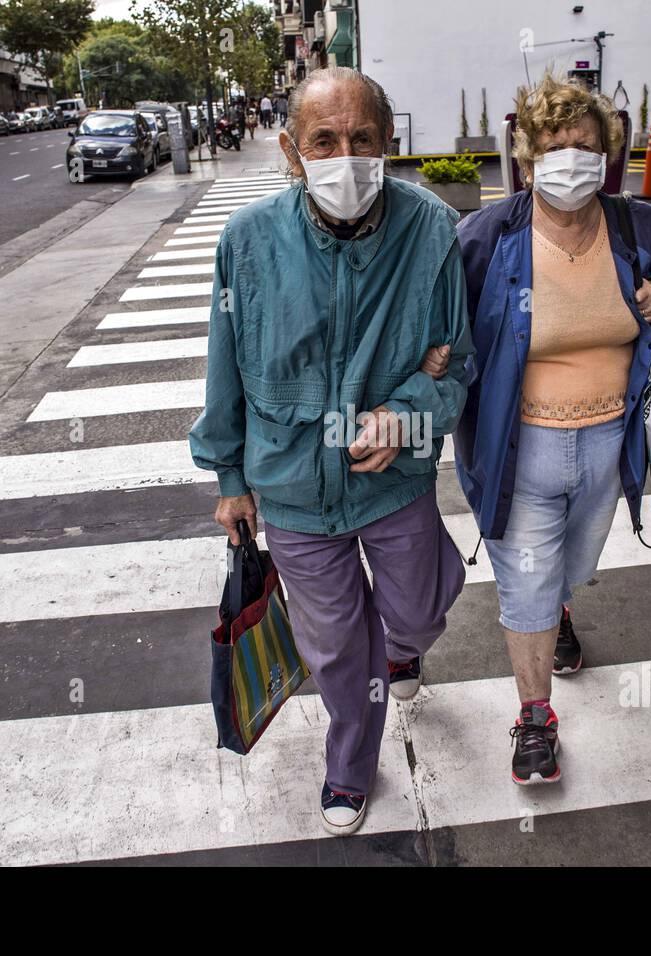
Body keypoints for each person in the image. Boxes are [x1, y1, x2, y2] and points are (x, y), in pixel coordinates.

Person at [189, 66, 473, 837]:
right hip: (292, 489)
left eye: (362, 139)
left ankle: (405, 653)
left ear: (388, 144)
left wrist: (408, 412)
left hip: (396, 482)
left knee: (416, 612)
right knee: (339, 647)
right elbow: (226, 366)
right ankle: (350, 762)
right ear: (290, 151)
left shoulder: (431, 230)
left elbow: (461, 366)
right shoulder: (246, 244)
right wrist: (229, 477)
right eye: (324, 140)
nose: (344, 156)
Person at [446, 72, 651, 786]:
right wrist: (433, 359)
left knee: (573, 565)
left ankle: (560, 608)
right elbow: (446, 324)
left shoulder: (634, 225)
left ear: (607, 155)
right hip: (519, 444)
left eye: (585, 146)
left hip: (609, 443)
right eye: (554, 146)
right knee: (524, 579)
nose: (571, 160)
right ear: (526, 159)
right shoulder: (487, 236)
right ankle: (534, 718)